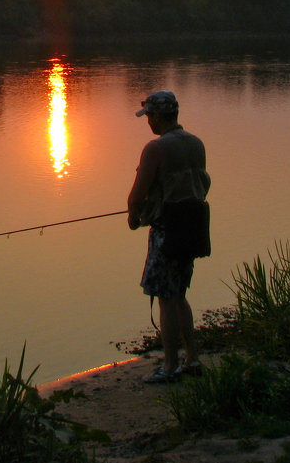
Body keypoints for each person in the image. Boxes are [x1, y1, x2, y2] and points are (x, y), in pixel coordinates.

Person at [126, 90, 208, 384]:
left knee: (165, 298)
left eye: (148, 115)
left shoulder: (155, 148)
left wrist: (134, 217)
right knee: (180, 295)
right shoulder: (196, 143)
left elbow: (136, 195)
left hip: (167, 231)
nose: (148, 121)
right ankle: (192, 359)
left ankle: (171, 366)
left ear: (158, 116)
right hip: (194, 227)